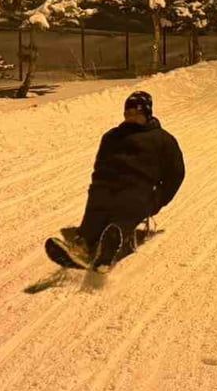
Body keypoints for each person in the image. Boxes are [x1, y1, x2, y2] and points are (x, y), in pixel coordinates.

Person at [45, 92, 185, 272]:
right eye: (128, 114)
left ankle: (111, 245)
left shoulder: (163, 140)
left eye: (137, 114)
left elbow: (176, 174)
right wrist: (97, 186)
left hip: (139, 191)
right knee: (97, 208)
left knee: (126, 211)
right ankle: (83, 245)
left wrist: (158, 199)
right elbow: (100, 165)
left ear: (147, 114)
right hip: (107, 188)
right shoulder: (112, 136)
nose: (132, 118)